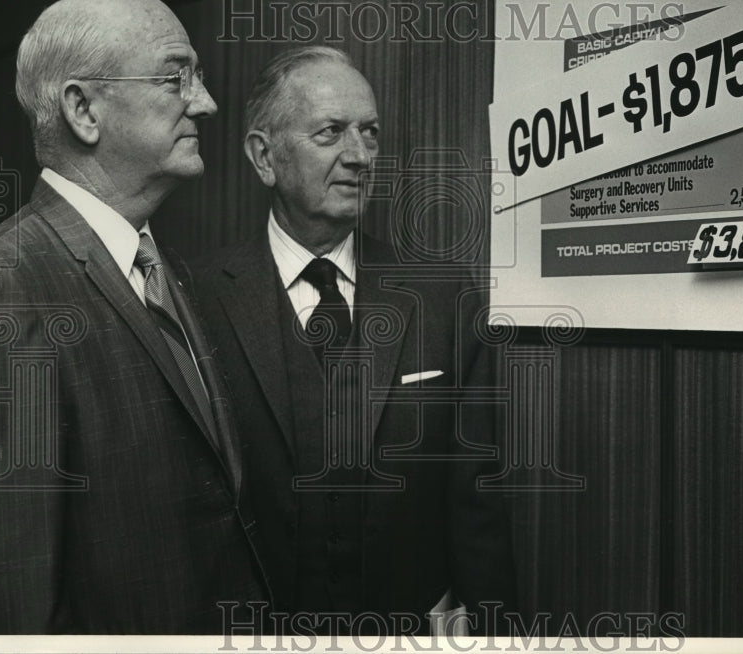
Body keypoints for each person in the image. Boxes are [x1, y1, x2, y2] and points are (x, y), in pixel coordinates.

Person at [0, 0, 272, 634]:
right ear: (83, 108)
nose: (204, 102)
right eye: (176, 76)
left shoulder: (166, 268)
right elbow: (11, 598)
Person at [192, 46, 518, 635]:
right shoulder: (196, 297)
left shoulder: (443, 296)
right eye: (331, 133)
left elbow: (478, 501)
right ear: (264, 156)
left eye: (370, 133)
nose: (361, 155)